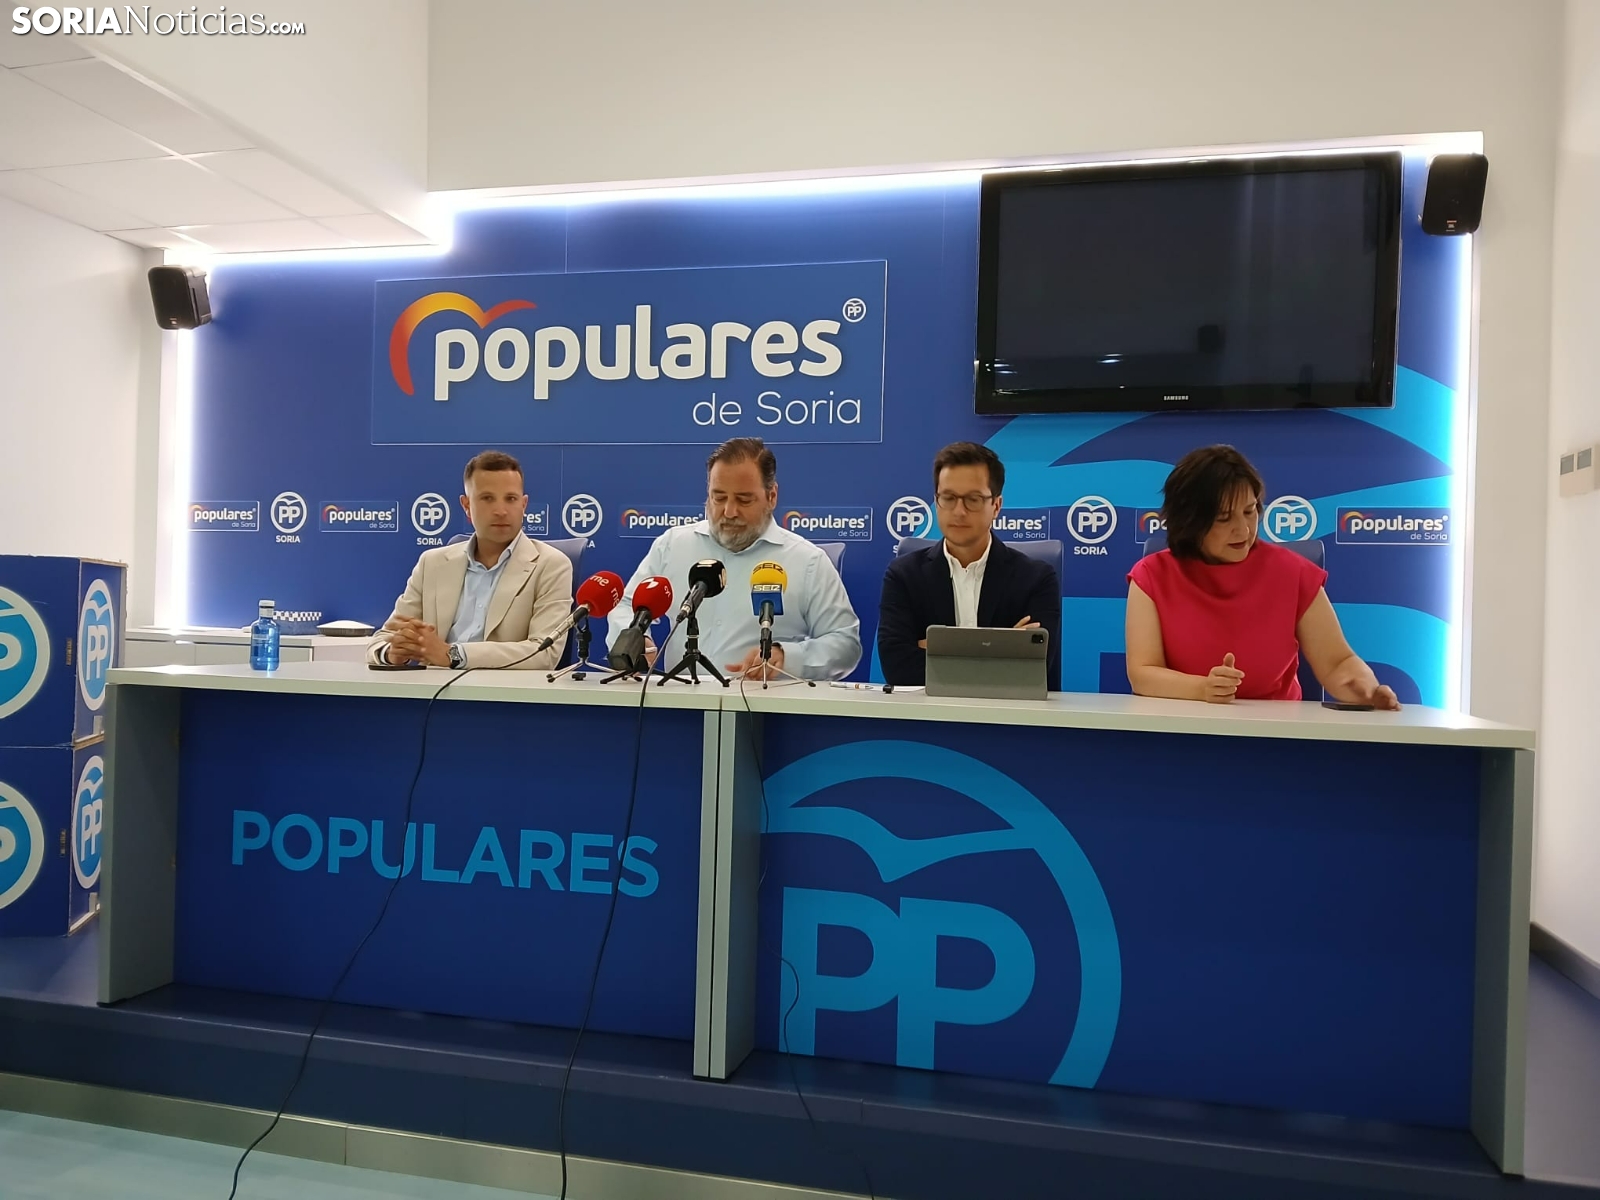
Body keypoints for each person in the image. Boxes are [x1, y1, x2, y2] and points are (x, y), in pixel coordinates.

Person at [1125, 444, 1399, 708]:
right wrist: (1202, 689)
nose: (1243, 529)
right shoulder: (1151, 575)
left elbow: (1338, 663)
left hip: (1277, 731)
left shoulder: (1294, 573)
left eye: (1250, 511)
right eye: (1224, 518)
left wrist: (1367, 690)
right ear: (1189, 520)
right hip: (1183, 726)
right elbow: (1143, 673)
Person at [607, 437, 860, 681]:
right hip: (676, 701)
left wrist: (787, 657)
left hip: (765, 703)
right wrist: (637, 638)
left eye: (743, 500)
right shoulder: (673, 546)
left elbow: (845, 644)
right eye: (718, 497)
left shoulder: (808, 562)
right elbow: (627, 605)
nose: (729, 511)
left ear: (772, 496)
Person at [877, 441, 1062, 690]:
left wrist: (939, 652)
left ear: (996, 506)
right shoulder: (904, 575)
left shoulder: (1036, 578)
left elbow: (1031, 670)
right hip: (928, 712)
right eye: (948, 498)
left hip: (1009, 712)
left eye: (973, 499)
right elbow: (898, 668)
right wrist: (1002, 651)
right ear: (936, 501)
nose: (959, 511)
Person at [368, 450, 574, 670]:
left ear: (523, 505)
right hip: (431, 687)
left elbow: (544, 653)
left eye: (511, 499)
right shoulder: (432, 563)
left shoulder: (551, 565)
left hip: (501, 689)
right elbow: (381, 640)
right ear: (466, 505)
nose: (501, 511)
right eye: (487, 498)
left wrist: (452, 654)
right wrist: (394, 652)